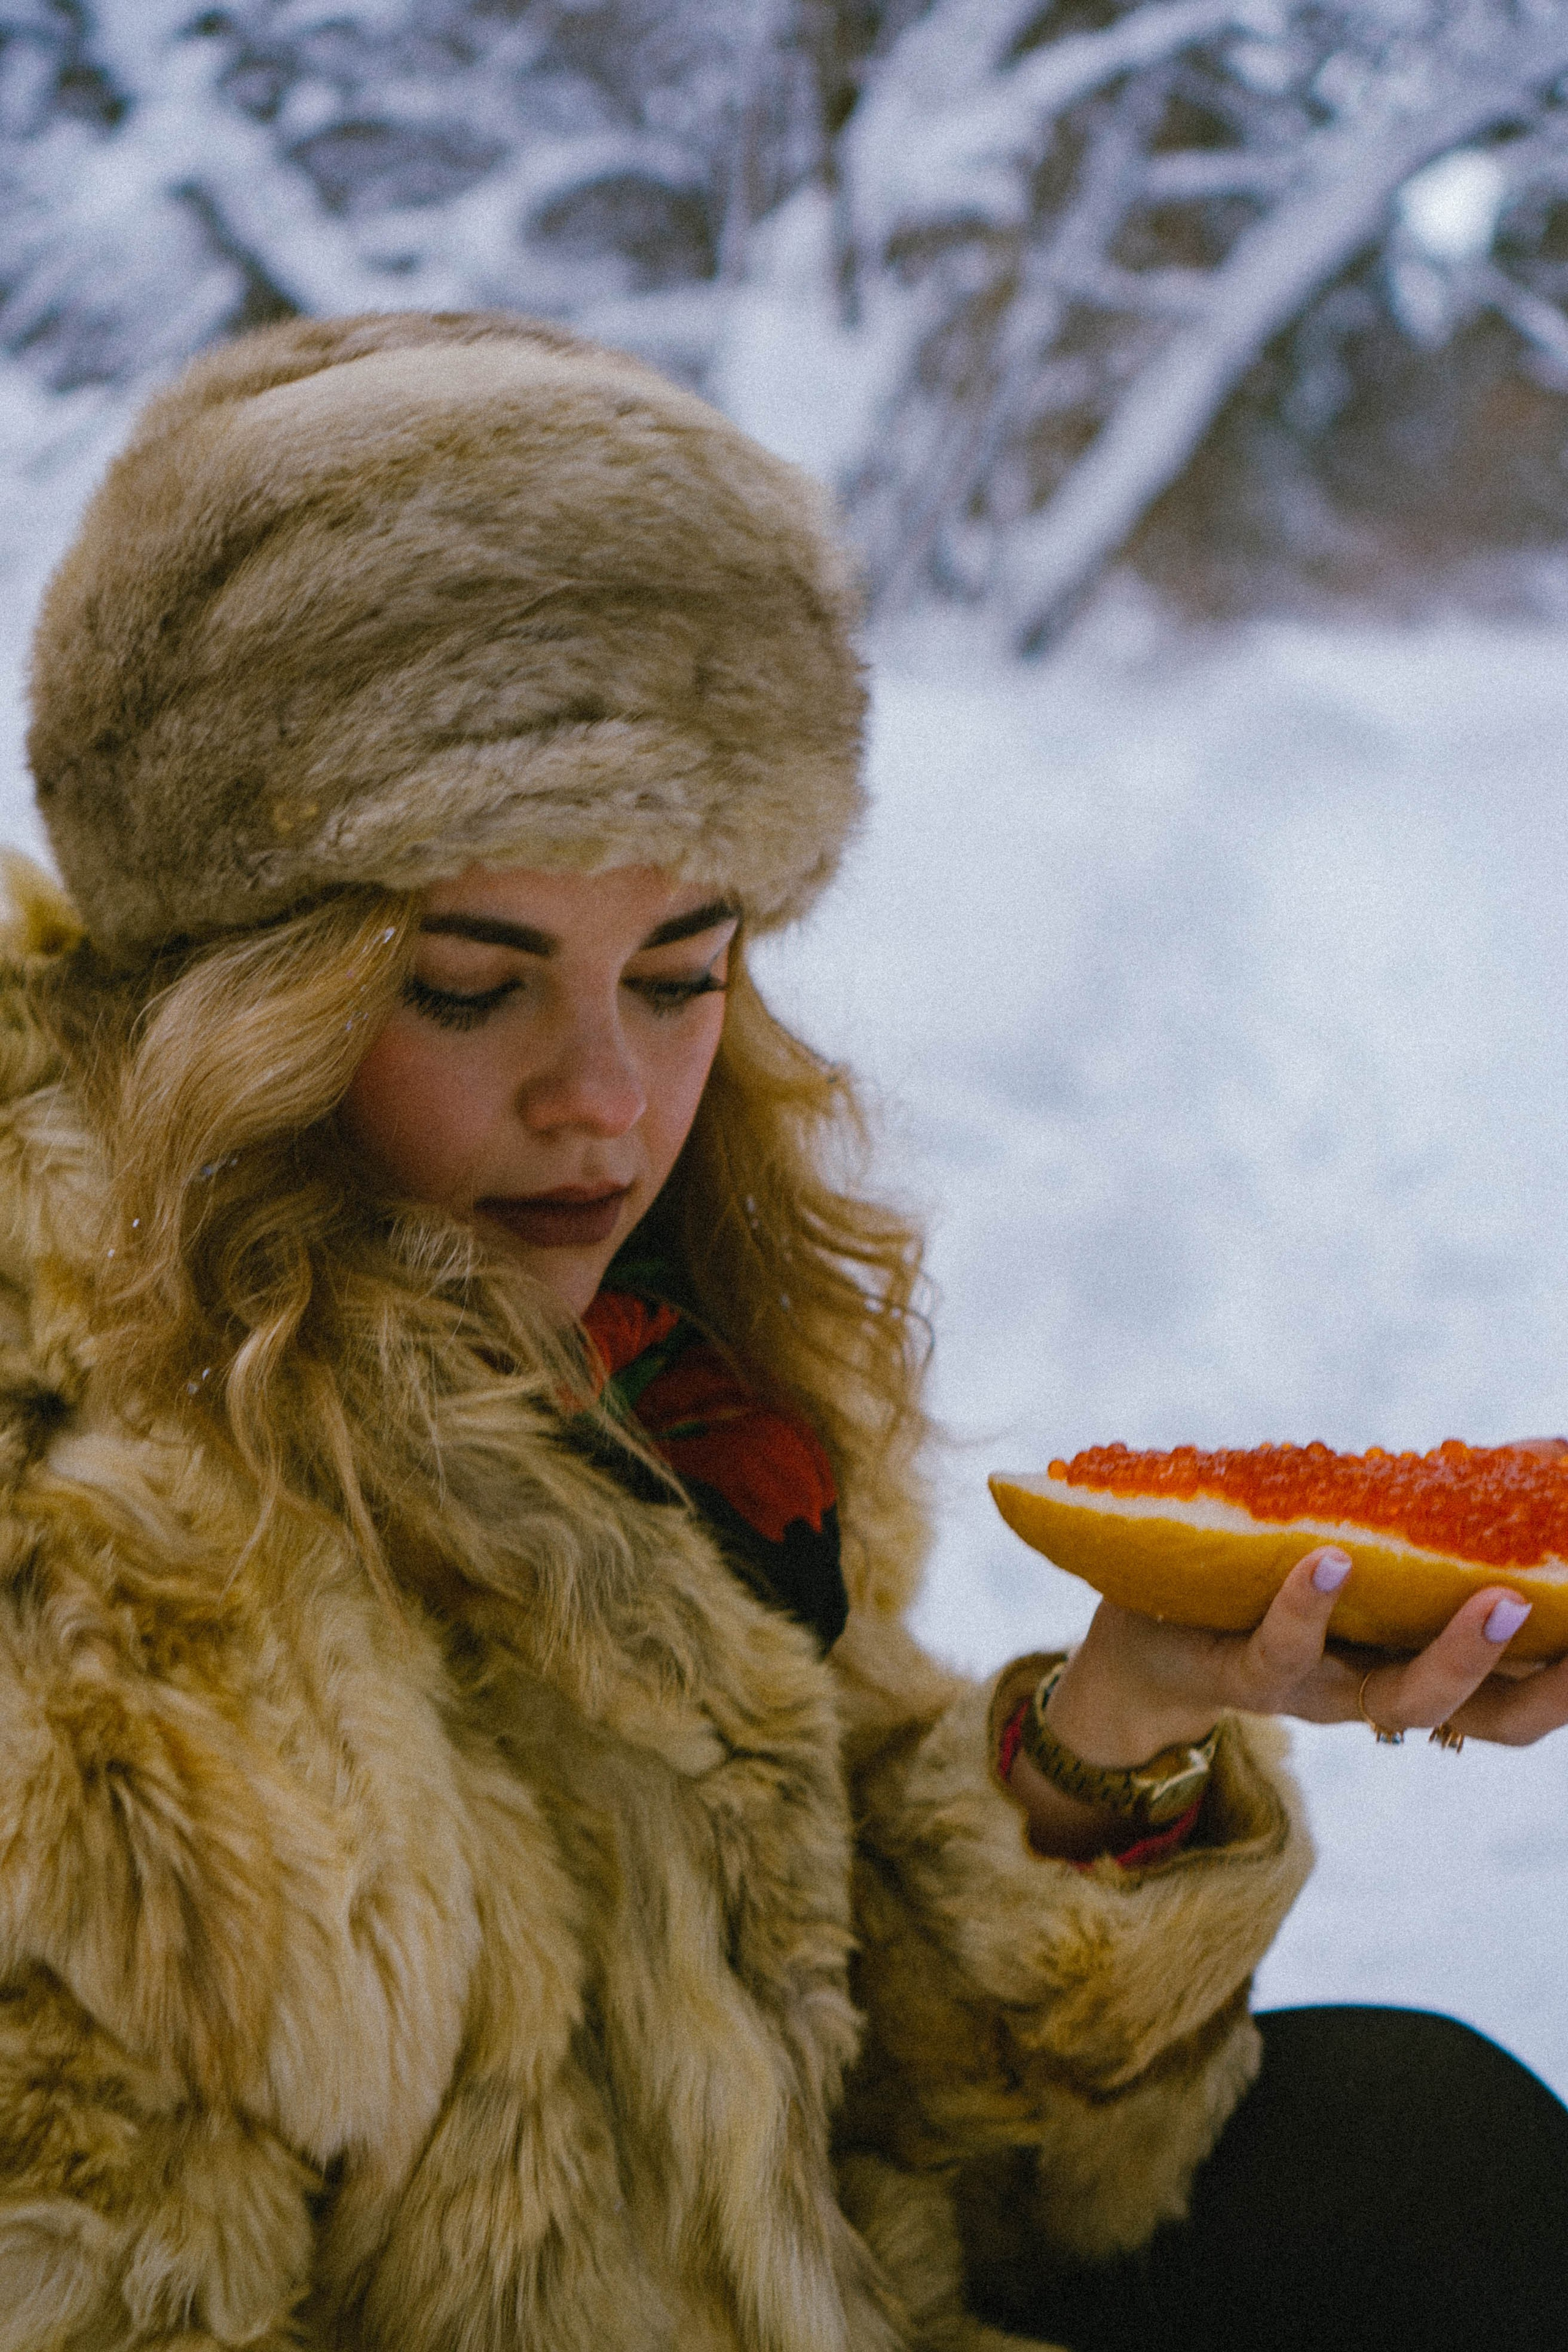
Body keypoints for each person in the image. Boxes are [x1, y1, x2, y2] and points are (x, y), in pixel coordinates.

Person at [2, 308, 1565, 2352]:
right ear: (240, 1000)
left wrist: (1105, 1747)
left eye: (680, 972)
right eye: (471, 987)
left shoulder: (654, 1363)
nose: (609, 1100)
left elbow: (864, 2120)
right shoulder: (93, 1583)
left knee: (1412, 2132)